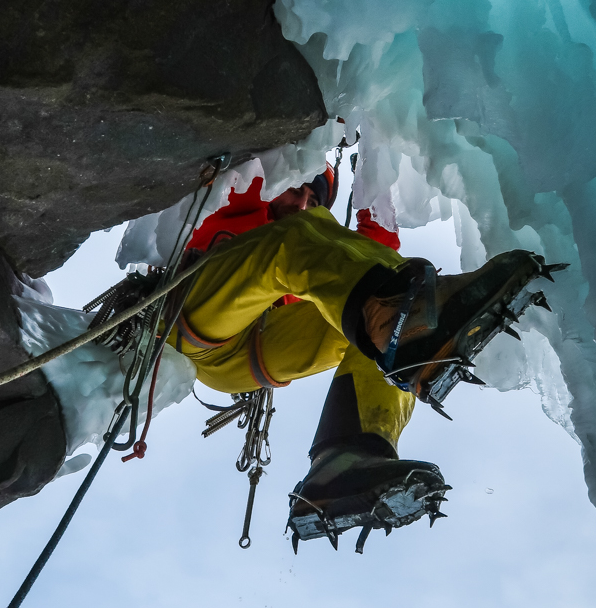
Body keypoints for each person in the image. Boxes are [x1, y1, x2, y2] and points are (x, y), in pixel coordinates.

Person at [170, 163, 559, 550]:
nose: (303, 202)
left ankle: (346, 459)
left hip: (257, 348)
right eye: (296, 188)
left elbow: (372, 252)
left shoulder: (299, 241)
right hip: (194, 319)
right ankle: (409, 335)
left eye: (310, 198)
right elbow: (257, 171)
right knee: (297, 238)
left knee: (391, 305)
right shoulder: (234, 206)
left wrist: (376, 177)